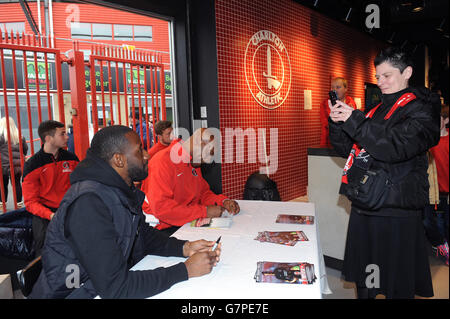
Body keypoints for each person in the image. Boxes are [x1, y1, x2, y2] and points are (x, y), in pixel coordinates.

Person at [29, 125, 221, 299]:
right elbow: (115, 288)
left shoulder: (119, 190)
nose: (147, 155)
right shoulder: (88, 203)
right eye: (139, 150)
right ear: (119, 160)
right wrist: (185, 270)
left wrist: (184, 248)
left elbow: (142, 235)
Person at [328, 46, 440, 299]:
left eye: (387, 75)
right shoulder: (374, 110)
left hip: (397, 210)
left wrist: (355, 121)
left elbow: (395, 146)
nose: (381, 82)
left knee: (397, 284)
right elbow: (351, 149)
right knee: (366, 282)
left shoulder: (423, 108)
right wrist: (338, 124)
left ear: (408, 72)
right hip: (365, 204)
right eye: (378, 77)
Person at [141, 128, 240, 236]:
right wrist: (204, 211)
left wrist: (223, 201)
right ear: (200, 143)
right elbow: (162, 209)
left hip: (184, 223)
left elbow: (202, 194)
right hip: (159, 229)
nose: (208, 160)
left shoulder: (193, 162)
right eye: (209, 153)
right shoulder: (162, 162)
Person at [22, 120, 79, 257]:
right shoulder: (32, 164)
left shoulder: (72, 159)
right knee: (46, 256)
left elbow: (81, 185)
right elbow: (30, 202)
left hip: (70, 211)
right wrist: (51, 215)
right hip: (45, 216)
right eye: (62, 134)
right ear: (48, 138)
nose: (67, 137)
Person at [423, 103, 449, 265]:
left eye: (436, 118)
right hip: (431, 191)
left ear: (446, 121)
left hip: (446, 191)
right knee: (427, 221)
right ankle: (441, 245)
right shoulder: (427, 141)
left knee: (445, 222)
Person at [319, 77, 357, 147]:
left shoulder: (351, 102)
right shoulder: (325, 104)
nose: (334, 90)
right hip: (329, 143)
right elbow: (326, 124)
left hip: (348, 142)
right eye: (332, 88)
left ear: (345, 89)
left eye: (338, 87)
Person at [0, 117, 28, 209]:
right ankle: (19, 204)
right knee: (16, 183)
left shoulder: (1, 137)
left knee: (2, 184)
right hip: (16, 165)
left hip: (3, 165)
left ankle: (2, 204)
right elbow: (25, 150)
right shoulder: (20, 136)